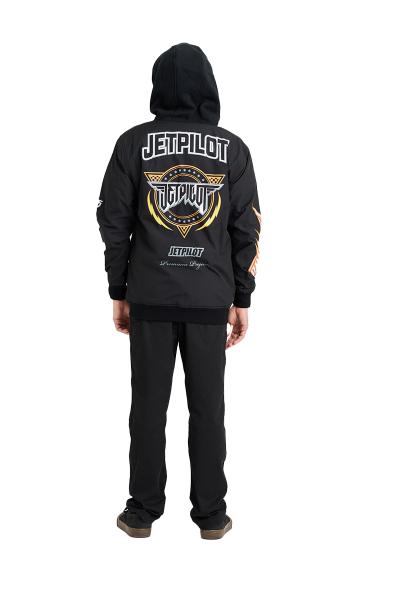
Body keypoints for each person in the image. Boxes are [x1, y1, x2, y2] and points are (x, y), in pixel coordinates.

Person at [97, 43, 261, 540]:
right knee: (208, 409)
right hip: (210, 298)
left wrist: (119, 288)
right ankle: (211, 514)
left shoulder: (132, 144)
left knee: (148, 407)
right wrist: (242, 298)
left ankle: (142, 511)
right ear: (208, 86)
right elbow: (247, 228)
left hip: (150, 293)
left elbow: (113, 221)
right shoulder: (232, 149)